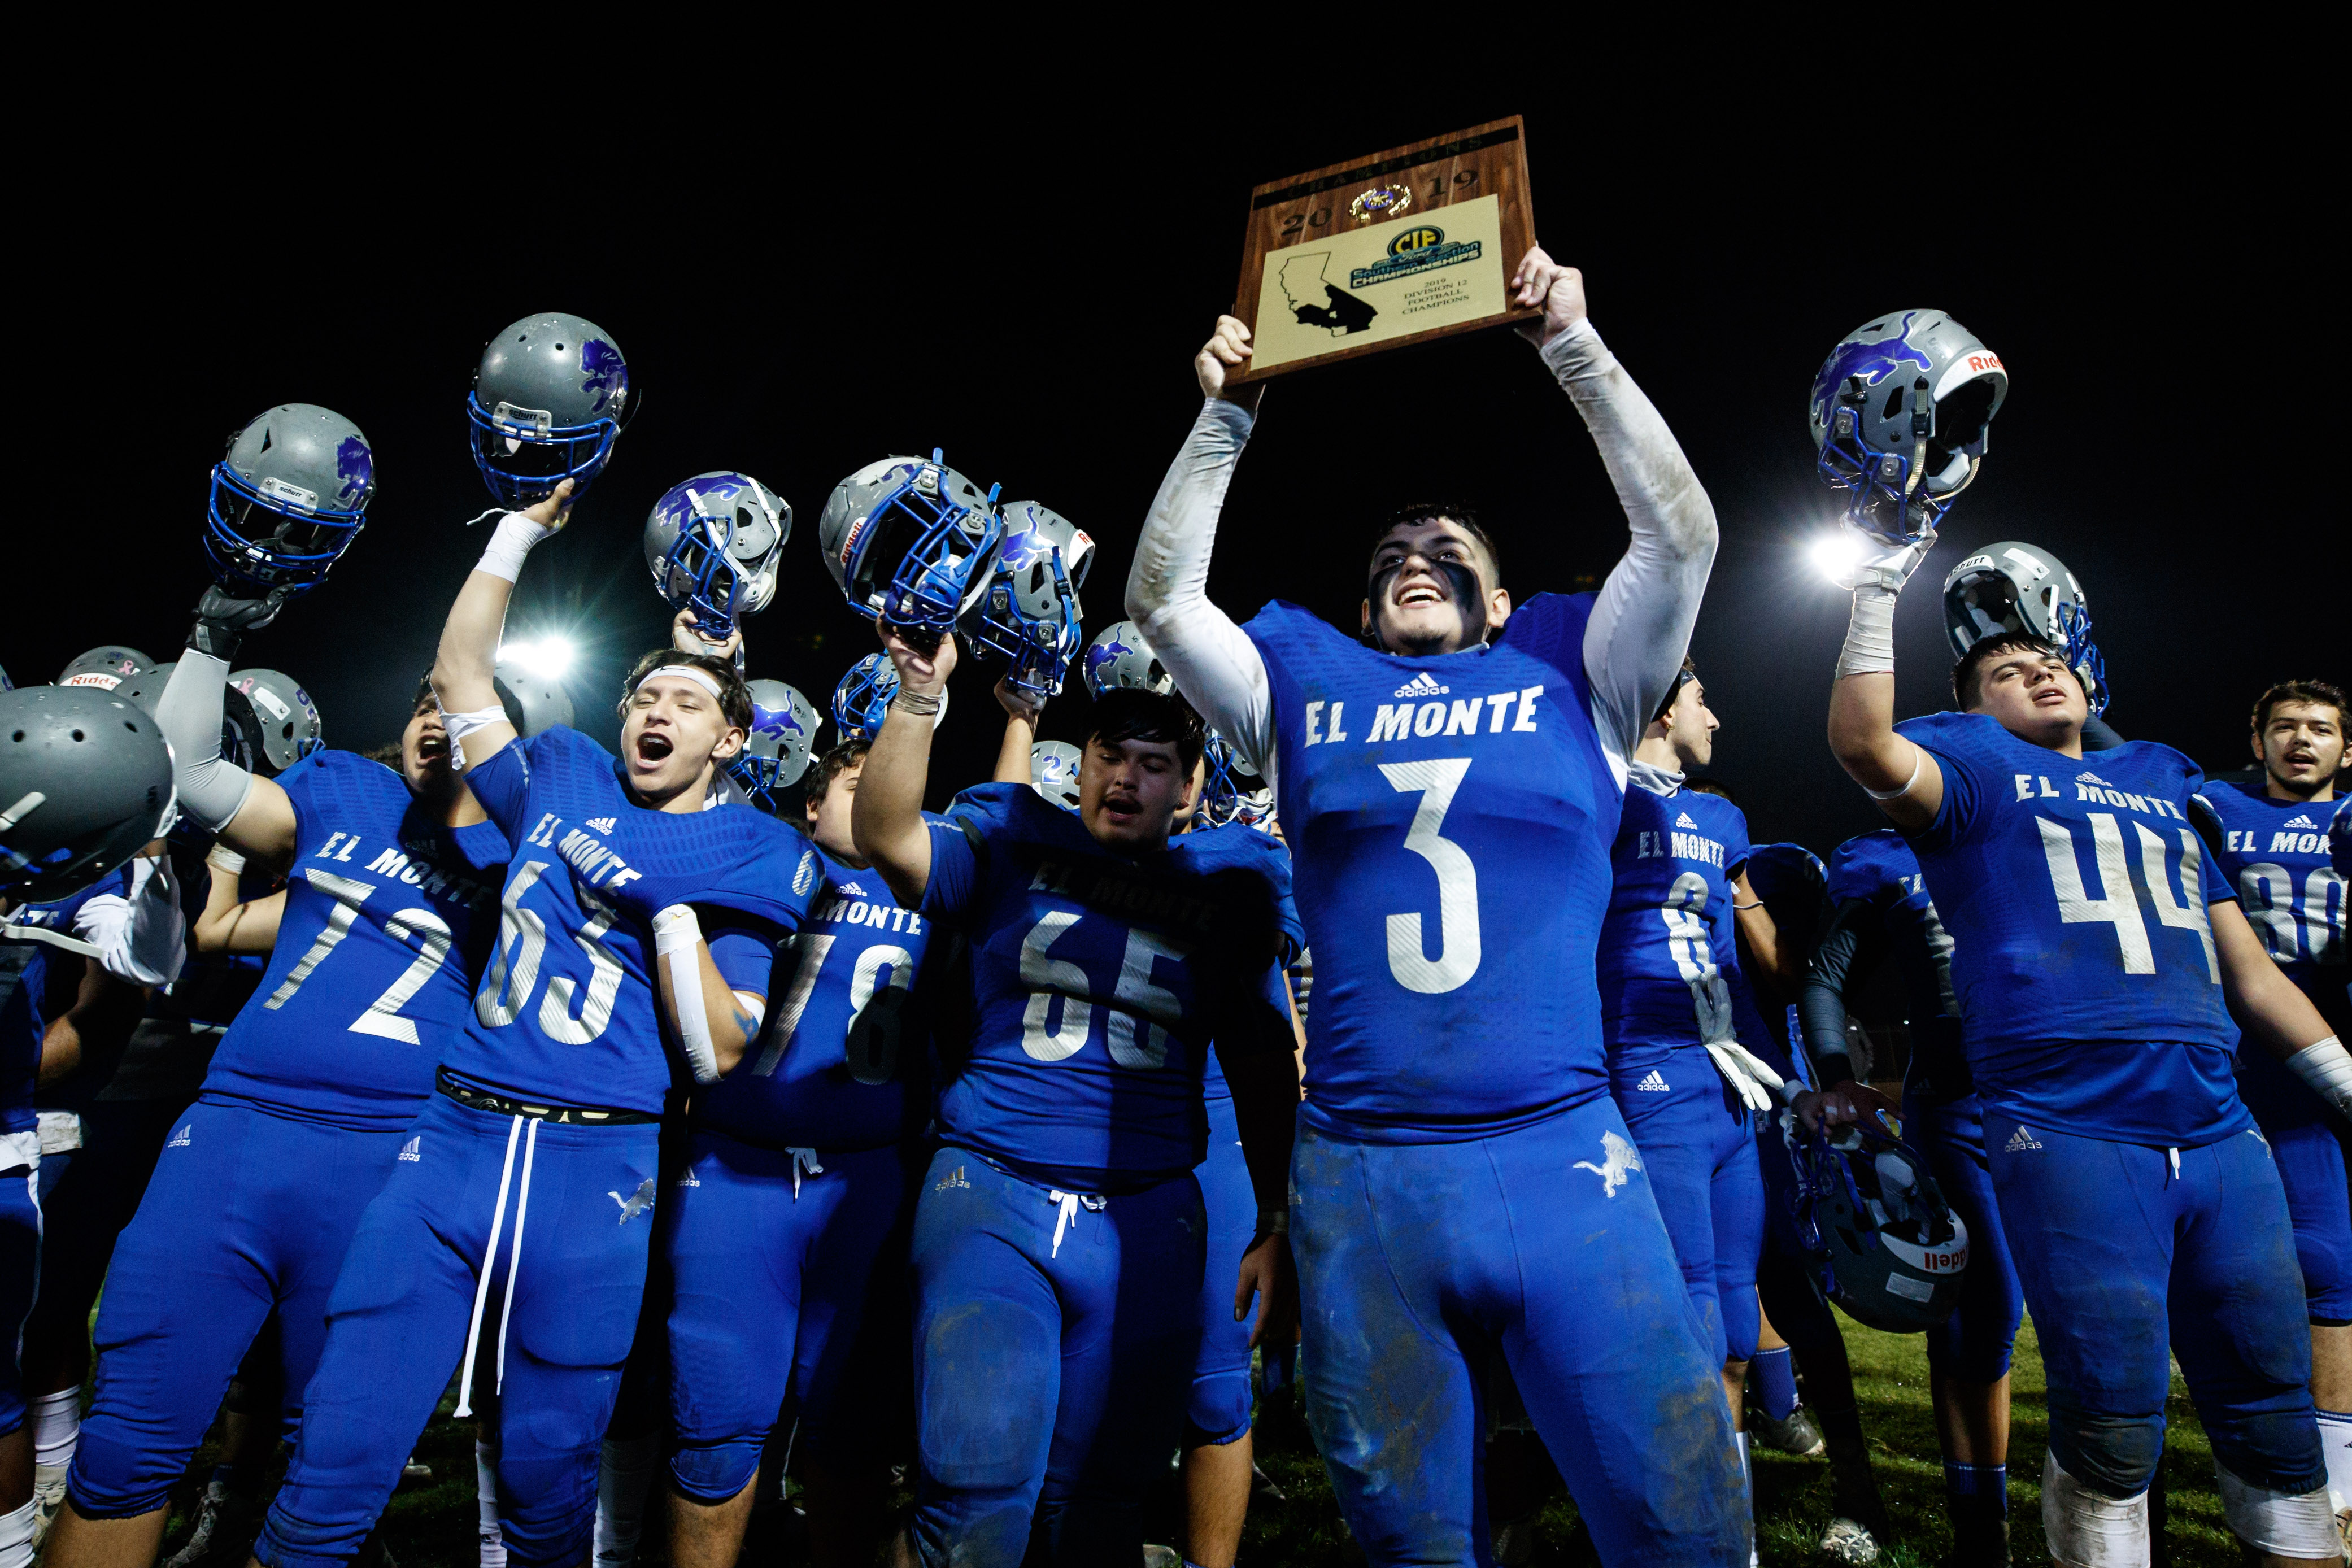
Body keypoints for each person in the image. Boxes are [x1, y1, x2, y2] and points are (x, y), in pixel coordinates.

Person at [1125, 255, 1748, 1562]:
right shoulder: (1304, 679)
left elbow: (1683, 535)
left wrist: (1571, 343)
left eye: (1445, 551)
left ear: (1503, 601)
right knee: (1413, 1545)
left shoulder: (1574, 670)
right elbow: (1163, 602)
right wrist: (1225, 413)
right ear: (1362, 606)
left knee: (1686, 1524)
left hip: (1560, 1149)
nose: (1416, 559)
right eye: (1393, 556)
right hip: (1365, 1174)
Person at [247, 480, 816, 1568]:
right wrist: (517, 533)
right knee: (335, 1461)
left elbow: (721, 1049)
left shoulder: (753, 852)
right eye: (646, 698)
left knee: (549, 1494)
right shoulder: (559, 774)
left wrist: (665, 916)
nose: (656, 714)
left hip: (597, 1168)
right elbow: (462, 673)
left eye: (689, 704)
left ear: (734, 737)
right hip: (452, 1142)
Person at [1823, 520, 2352, 1563]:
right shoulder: (1967, 767)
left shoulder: (2159, 777)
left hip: (2216, 1117)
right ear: (1971, 703)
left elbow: (2248, 971)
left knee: (2275, 1418)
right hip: (2070, 1120)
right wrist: (1879, 584)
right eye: (2007, 669)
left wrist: (2344, 1078)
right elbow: (1863, 741)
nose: (2038, 671)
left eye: (2052, 658)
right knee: (2112, 1416)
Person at [47, 578, 513, 1566]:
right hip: (236, 1138)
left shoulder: (533, 854)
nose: (436, 718)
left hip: (395, 1166)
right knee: (128, 1441)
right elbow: (191, 769)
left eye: (458, 705)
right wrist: (212, 632)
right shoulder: (347, 789)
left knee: (331, 1471)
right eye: (423, 702)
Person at [852, 626, 1301, 1567]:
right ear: (1083, 763)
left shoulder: (1228, 888)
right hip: (997, 1189)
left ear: (1187, 788)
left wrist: (1274, 1215)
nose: (1124, 780)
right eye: (1109, 756)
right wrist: (919, 697)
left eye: (1151, 764)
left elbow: (1264, 1066)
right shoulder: (1016, 835)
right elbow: (888, 836)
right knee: (974, 1509)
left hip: (1146, 1214)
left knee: (1100, 1510)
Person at [664, 737, 940, 1568]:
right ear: (811, 805)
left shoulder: (940, 888)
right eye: (856, 783)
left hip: (868, 1181)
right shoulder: (763, 858)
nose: (875, 796)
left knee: (850, 1436)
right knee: (712, 1424)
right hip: (735, 1166)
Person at [1597, 663, 1799, 1522]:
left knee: (1732, 1310)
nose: (1712, 715)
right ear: (1661, 705)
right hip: (1646, 1065)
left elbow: (1730, 945)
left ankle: (1726, 1523)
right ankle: (1669, 1518)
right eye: (1700, 697)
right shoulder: (1596, 795)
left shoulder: (1722, 816)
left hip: (1720, 1075)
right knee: (1680, 1316)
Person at [1800, 822, 2022, 1565]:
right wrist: (1837, 1076)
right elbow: (1825, 978)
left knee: (2105, 1311)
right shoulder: (1889, 853)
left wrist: (2087, 702)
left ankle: (2115, 1518)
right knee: (1978, 1318)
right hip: (1961, 1101)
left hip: (2073, 1094)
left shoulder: (2051, 807)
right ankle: (1981, 1526)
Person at [2190, 681, 2350, 1530]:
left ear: (2346, 750)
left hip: (2339, 1045)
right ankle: (2319, 1481)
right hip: (2246, 1060)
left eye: (2321, 729)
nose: (2301, 741)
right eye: (2284, 727)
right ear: (2256, 739)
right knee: (2308, 1266)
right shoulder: (2209, 804)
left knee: (2331, 1267)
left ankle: (2333, 1472)